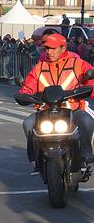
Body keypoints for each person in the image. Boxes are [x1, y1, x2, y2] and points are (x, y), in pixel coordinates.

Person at [20, 33, 94, 166]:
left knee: (87, 121)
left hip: (72, 110)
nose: (49, 52)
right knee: (27, 124)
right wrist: (24, 94)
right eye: (47, 48)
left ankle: (85, 154)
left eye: (53, 48)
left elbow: (91, 78)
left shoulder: (78, 63)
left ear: (63, 48)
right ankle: (36, 160)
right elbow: (29, 84)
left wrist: (89, 89)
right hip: (46, 111)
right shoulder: (39, 67)